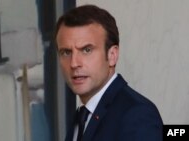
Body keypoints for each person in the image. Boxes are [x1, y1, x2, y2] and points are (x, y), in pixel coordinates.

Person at [54, 4, 163, 141]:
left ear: (112, 55)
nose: (74, 63)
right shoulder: (81, 116)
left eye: (87, 50)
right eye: (66, 52)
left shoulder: (137, 114)